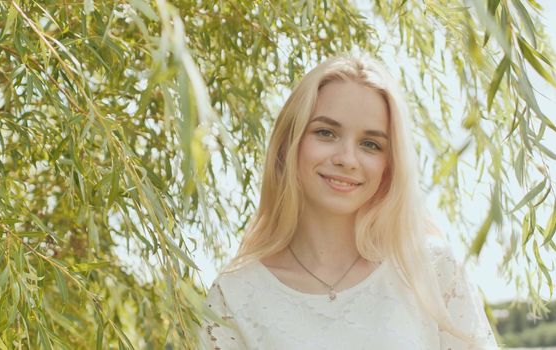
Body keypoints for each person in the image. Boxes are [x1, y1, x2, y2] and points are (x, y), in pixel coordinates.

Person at [197, 53, 499, 349]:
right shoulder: (234, 297)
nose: (347, 159)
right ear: (289, 142)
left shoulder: (430, 271)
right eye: (326, 133)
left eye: (370, 144)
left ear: (389, 164)